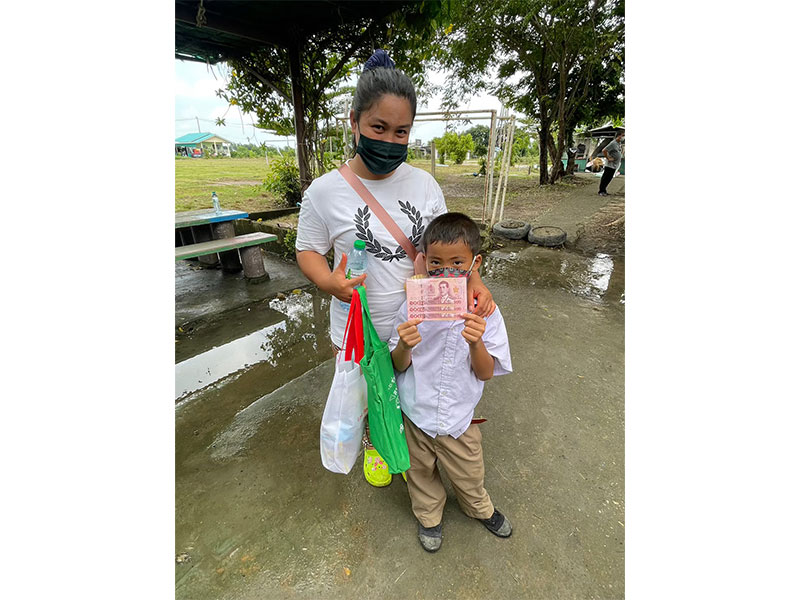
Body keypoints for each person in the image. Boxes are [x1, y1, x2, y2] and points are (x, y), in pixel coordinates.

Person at [295, 50, 496, 488]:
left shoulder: (424, 185)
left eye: (401, 131)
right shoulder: (323, 192)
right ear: (354, 122)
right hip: (358, 325)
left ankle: (409, 442)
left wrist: (475, 281)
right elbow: (307, 250)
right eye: (378, 127)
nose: (389, 140)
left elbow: (450, 244)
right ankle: (375, 441)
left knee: (409, 386)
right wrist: (328, 281)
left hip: (421, 318)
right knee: (368, 390)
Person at [388, 212, 513, 553]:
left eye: (457, 263)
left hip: (459, 419)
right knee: (419, 473)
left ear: (475, 263)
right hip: (416, 414)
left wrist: (476, 342)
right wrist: (404, 345)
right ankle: (429, 516)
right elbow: (398, 365)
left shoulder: (485, 312)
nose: (445, 272)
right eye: (436, 263)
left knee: (470, 473)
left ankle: (478, 506)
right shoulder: (413, 307)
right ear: (424, 261)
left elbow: (486, 372)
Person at [598, 130, 624, 196]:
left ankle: (604, 190)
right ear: (619, 136)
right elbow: (604, 150)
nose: (624, 137)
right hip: (610, 165)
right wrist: (608, 158)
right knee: (605, 178)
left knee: (609, 178)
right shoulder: (613, 143)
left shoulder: (618, 144)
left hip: (614, 165)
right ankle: (601, 191)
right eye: (623, 135)